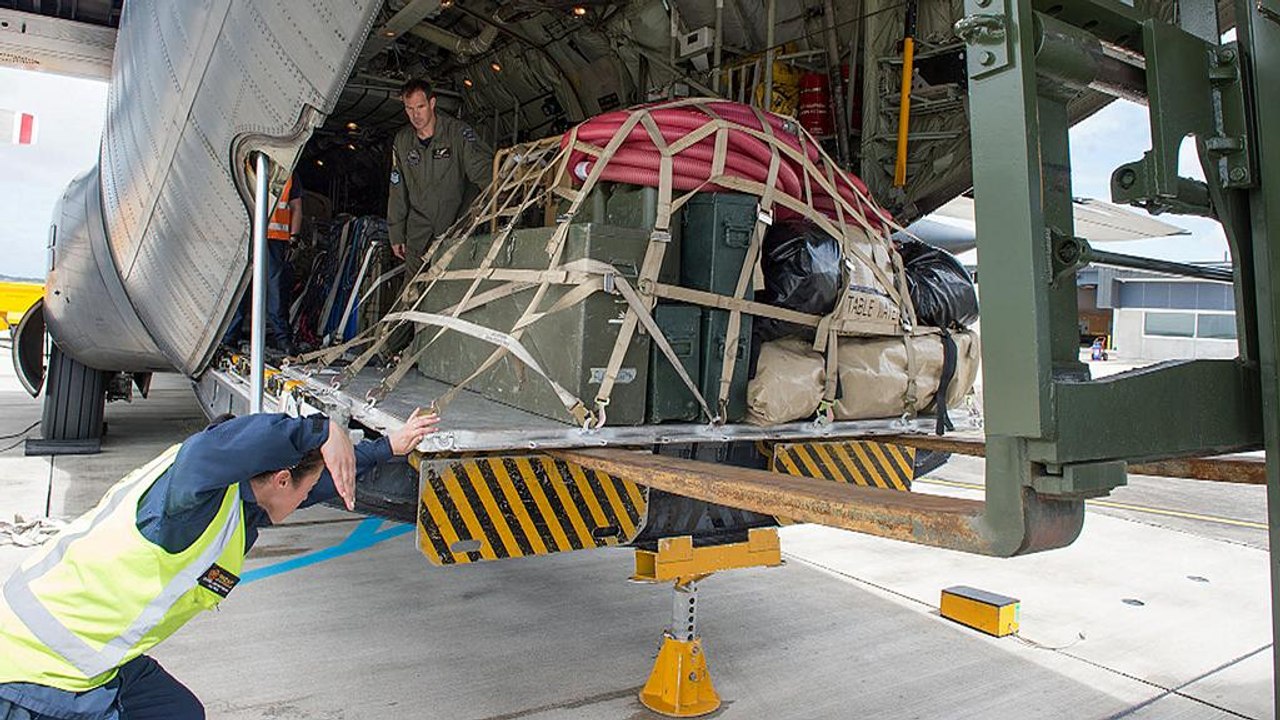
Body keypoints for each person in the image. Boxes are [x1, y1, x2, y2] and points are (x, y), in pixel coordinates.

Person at [0, 409, 439, 720]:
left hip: (88, 655)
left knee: (179, 712)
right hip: (39, 671)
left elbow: (317, 483)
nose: (307, 499)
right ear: (280, 479)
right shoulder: (184, 505)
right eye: (302, 492)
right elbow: (211, 446)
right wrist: (321, 430)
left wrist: (387, 447)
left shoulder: (238, 498)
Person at [385, 78, 494, 354]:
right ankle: (389, 348)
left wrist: (503, 195)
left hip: (455, 227)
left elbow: (483, 171)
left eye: (420, 107)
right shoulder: (403, 141)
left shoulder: (457, 134)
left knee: (452, 290)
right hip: (418, 228)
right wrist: (396, 232)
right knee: (412, 290)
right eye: (409, 109)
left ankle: (447, 351)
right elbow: (397, 189)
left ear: (432, 103)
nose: (416, 115)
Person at [223, 172, 304, 355]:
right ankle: (281, 339)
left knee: (245, 288)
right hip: (260, 238)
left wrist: (293, 237)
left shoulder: (247, 166)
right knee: (269, 290)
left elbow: (296, 207)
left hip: (264, 237)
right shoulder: (286, 173)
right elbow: (297, 207)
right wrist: (294, 238)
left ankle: (230, 337)